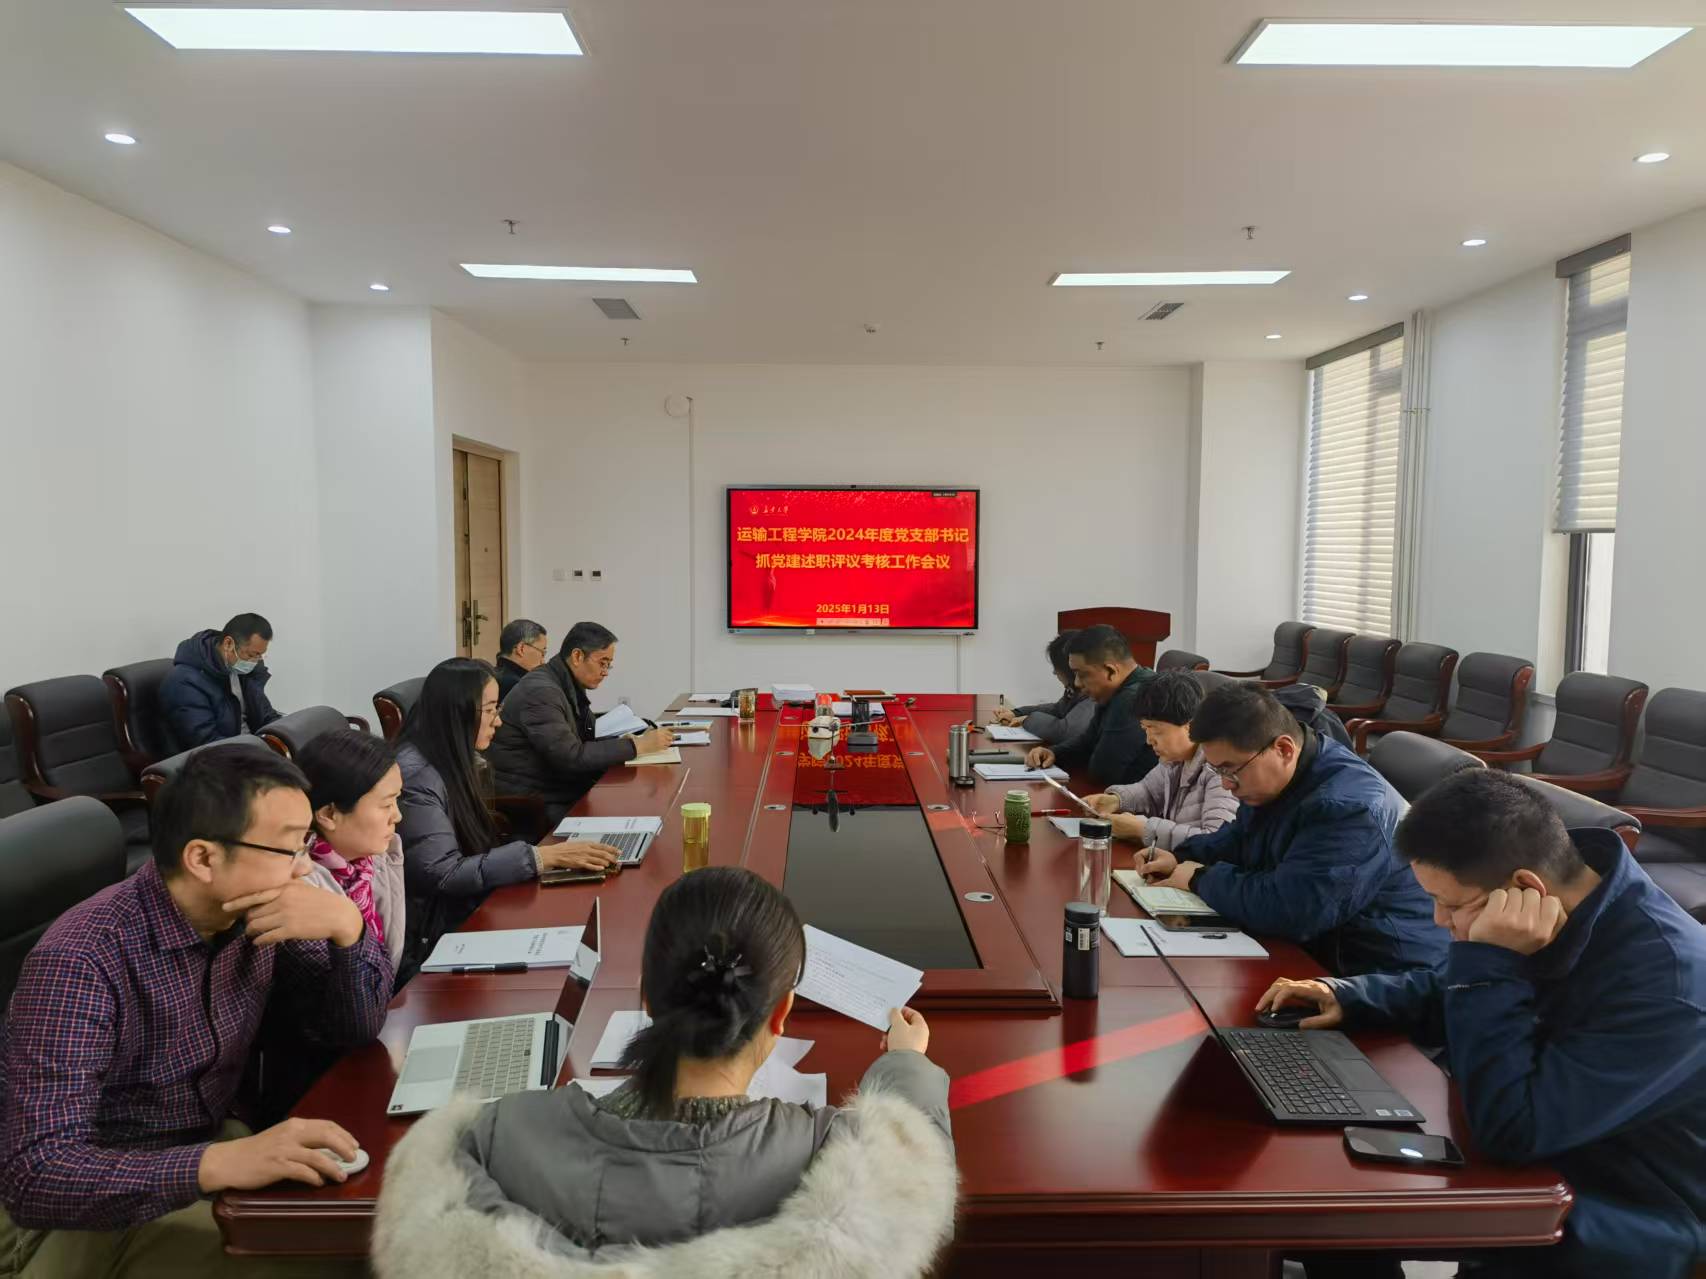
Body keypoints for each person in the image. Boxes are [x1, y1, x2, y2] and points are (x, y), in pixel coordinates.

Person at [373, 866, 957, 1274]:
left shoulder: (497, 1140)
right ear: (780, 1013)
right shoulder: (832, 1161)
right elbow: (912, 1167)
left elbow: (430, 1186)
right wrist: (905, 1063)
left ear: (647, 998)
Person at [1260, 770, 1706, 1279]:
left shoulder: (1667, 987)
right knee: (1330, 1180)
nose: (1438, 920)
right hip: (1529, 1143)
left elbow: (1513, 1130)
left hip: (1625, 1203)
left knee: (1340, 1208)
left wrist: (1489, 965)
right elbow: (1448, 988)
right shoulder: (1568, 904)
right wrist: (1352, 995)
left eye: (1450, 905)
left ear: (1524, 889)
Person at [0, 745, 387, 1278]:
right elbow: (38, 1174)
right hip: (87, 1208)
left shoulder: (255, 912)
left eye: (306, 843)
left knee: (378, 1218)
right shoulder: (81, 959)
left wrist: (349, 929)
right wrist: (219, 1162)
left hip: (205, 1147)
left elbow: (353, 1028)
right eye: (289, 848)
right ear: (203, 859)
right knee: (351, 1255)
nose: (305, 867)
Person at [1137, 682, 1445, 977]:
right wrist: (1181, 856)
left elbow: (1292, 910)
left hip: (1378, 970)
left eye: (1230, 769)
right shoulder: (1284, 772)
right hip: (1319, 948)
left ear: (1283, 748)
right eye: (1216, 770)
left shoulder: (1349, 808)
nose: (1226, 784)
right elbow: (1242, 836)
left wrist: (1200, 878)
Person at [396, 658, 622, 974]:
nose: (499, 721)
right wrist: (540, 858)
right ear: (459, 713)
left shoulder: (450, 754)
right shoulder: (418, 777)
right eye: (491, 710)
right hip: (433, 936)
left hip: (465, 908)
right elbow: (444, 874)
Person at [486, 621, 675, 826]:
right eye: (602, 663)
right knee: (635, 813)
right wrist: (637, 746)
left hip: (555, 789)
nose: (605, 672)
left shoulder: (564, 683)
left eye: (608, 665)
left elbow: (582, 740)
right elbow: (571, 757)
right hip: (533, 802)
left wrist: (627, 744)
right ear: (577, 656)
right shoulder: (541, 691)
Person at [296, 728, 406, 975]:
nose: (397, 816)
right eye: (386, 804)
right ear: (329, 814)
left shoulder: (373, 858)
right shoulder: (303, 893)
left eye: (397, 800)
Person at [1087, 670, 1238, 849]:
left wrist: (1142, 830)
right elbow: (1148, 791)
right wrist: (1116, 800)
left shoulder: (1219, 771)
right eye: (1145, 729)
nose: (1149, 740)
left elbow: (1216, 841)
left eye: (1156, 731)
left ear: (1191, 726)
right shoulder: (1174, 759)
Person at [1024, 625, 1157, 787]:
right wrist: (1053, 753)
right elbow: (1087, 742)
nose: (1077, 683)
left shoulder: (1132, 698)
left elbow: (1102, 772)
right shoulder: (1115, 692)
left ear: (1111, 671)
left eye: (1082, 674)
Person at [159, 613, 282, 753]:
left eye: (260, 655)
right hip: (218, 758)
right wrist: (258, 752)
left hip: (251, 748)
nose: (255, 661)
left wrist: (285, 734)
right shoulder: (184, 682)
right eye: (251, 655)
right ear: (228, 644)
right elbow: (206, 744)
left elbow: (266, 715)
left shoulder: (243, 671)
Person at [992, 631, 1093, 746]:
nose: (1054, 672)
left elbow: (1063, 732)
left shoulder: (1093, 693)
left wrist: (1027, 719)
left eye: (1056, 666)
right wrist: (1016, 713)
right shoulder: (1073, 690)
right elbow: (1057, 710)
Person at [493, 618, 548, 703]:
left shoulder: (489, 677)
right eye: (542, 653)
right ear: (521, 649)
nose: (543, 662)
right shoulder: (522, 686)